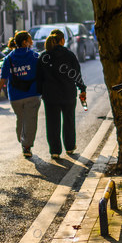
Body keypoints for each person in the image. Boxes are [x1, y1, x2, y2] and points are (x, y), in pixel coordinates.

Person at [36, 29, 87, 159]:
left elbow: (39, 78)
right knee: (69, 121)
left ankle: (54, 150)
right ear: (62, 40)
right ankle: (70, 147)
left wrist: (41, 93)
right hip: (68, 94)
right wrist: (82, 89)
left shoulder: (43, 56)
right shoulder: (69, 55)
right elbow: (77, 74)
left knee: (52, 123)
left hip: (50, 96)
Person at [0, 30, 40, 158]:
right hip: (32, 94)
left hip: (15, 96)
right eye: (30, 40)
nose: (32, 42)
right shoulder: (35, 56)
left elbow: (3, 78)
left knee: (21, 118)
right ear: (25, 42)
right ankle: (26, 146)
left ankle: (22, 139)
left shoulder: (9, 58)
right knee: (30, 121)